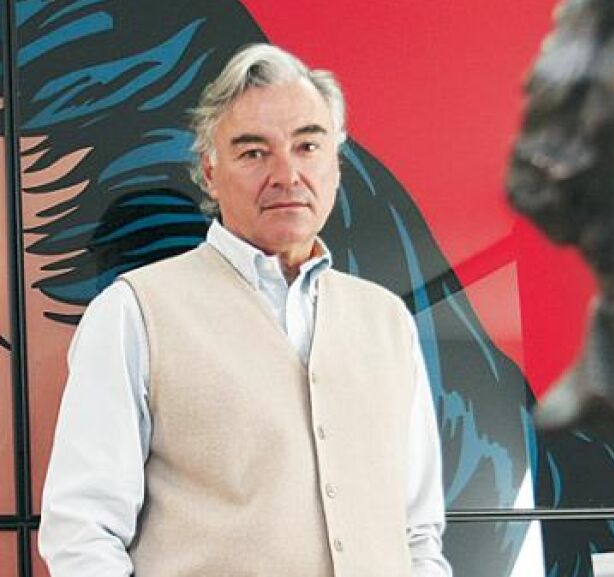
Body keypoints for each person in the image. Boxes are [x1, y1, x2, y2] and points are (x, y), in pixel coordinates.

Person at [38, 43, 452, 577]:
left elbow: (418, 532)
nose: (287, 174)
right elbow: (82, 530)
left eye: (308, 146)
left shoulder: (386, 319)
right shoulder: (134, 312)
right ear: (209, 172)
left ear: (335, 163)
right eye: (254, 153)